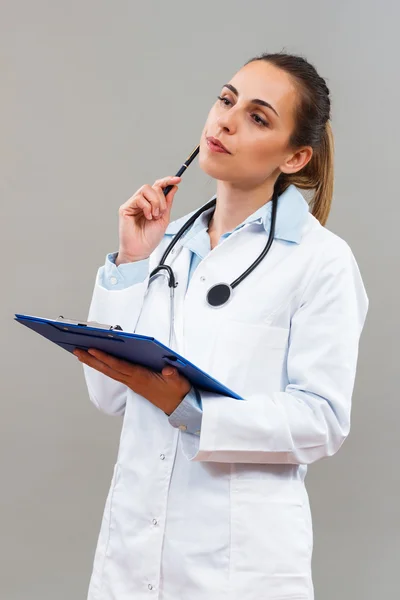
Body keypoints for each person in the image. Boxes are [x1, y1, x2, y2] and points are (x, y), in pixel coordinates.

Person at [74, 52, 369, 600]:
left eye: (258, 117)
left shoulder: (320, 260)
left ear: (295, 156)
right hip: (131, 556)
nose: (226, 121)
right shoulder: (163, 242)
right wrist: (132, 261)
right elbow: (108, 396)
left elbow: (323, 419)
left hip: (241, 568)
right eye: (226, 100)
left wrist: (192, 409)